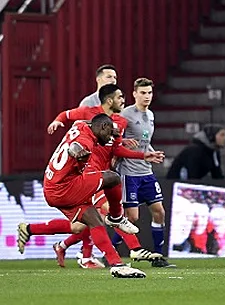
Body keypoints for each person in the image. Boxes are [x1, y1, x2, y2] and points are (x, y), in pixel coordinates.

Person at [35, 84, 164, 267]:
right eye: (120, 97)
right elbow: (73, 132)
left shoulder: (114, 122)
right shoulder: (89, 117)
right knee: (110, 194)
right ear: (109, 100)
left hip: (76, 181)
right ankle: (131, 246)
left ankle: (106, 260)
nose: (123, 101)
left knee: (85, 223)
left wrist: (142, 155)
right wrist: (58, 123)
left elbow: (116, 148)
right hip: (82, 178)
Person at [41, 114, 145, 278]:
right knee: (113, 178)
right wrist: (75, 151)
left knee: (93, 219)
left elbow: (85, 124)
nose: (110, 138)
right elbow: (76, 147)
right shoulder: (86, 142)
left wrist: (116, 131)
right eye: (109, 133)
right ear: (102, 127)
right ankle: (116, 217)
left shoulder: (80, 124)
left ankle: (117, 265)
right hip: (65, 188)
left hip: (51, 188)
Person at [113, 78, 175, 268]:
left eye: (149, 93)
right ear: (134, 94)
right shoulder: (126, 115)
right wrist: (122, 142)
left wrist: (153, 153)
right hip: (129, 173)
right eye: (143, 93)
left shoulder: (151, 115)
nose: (147, 96)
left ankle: (157, 256)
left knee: (159, 212)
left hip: (146, 172)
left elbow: (145, 143)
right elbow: (114, 139)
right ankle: (110, 250)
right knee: (131, 218)